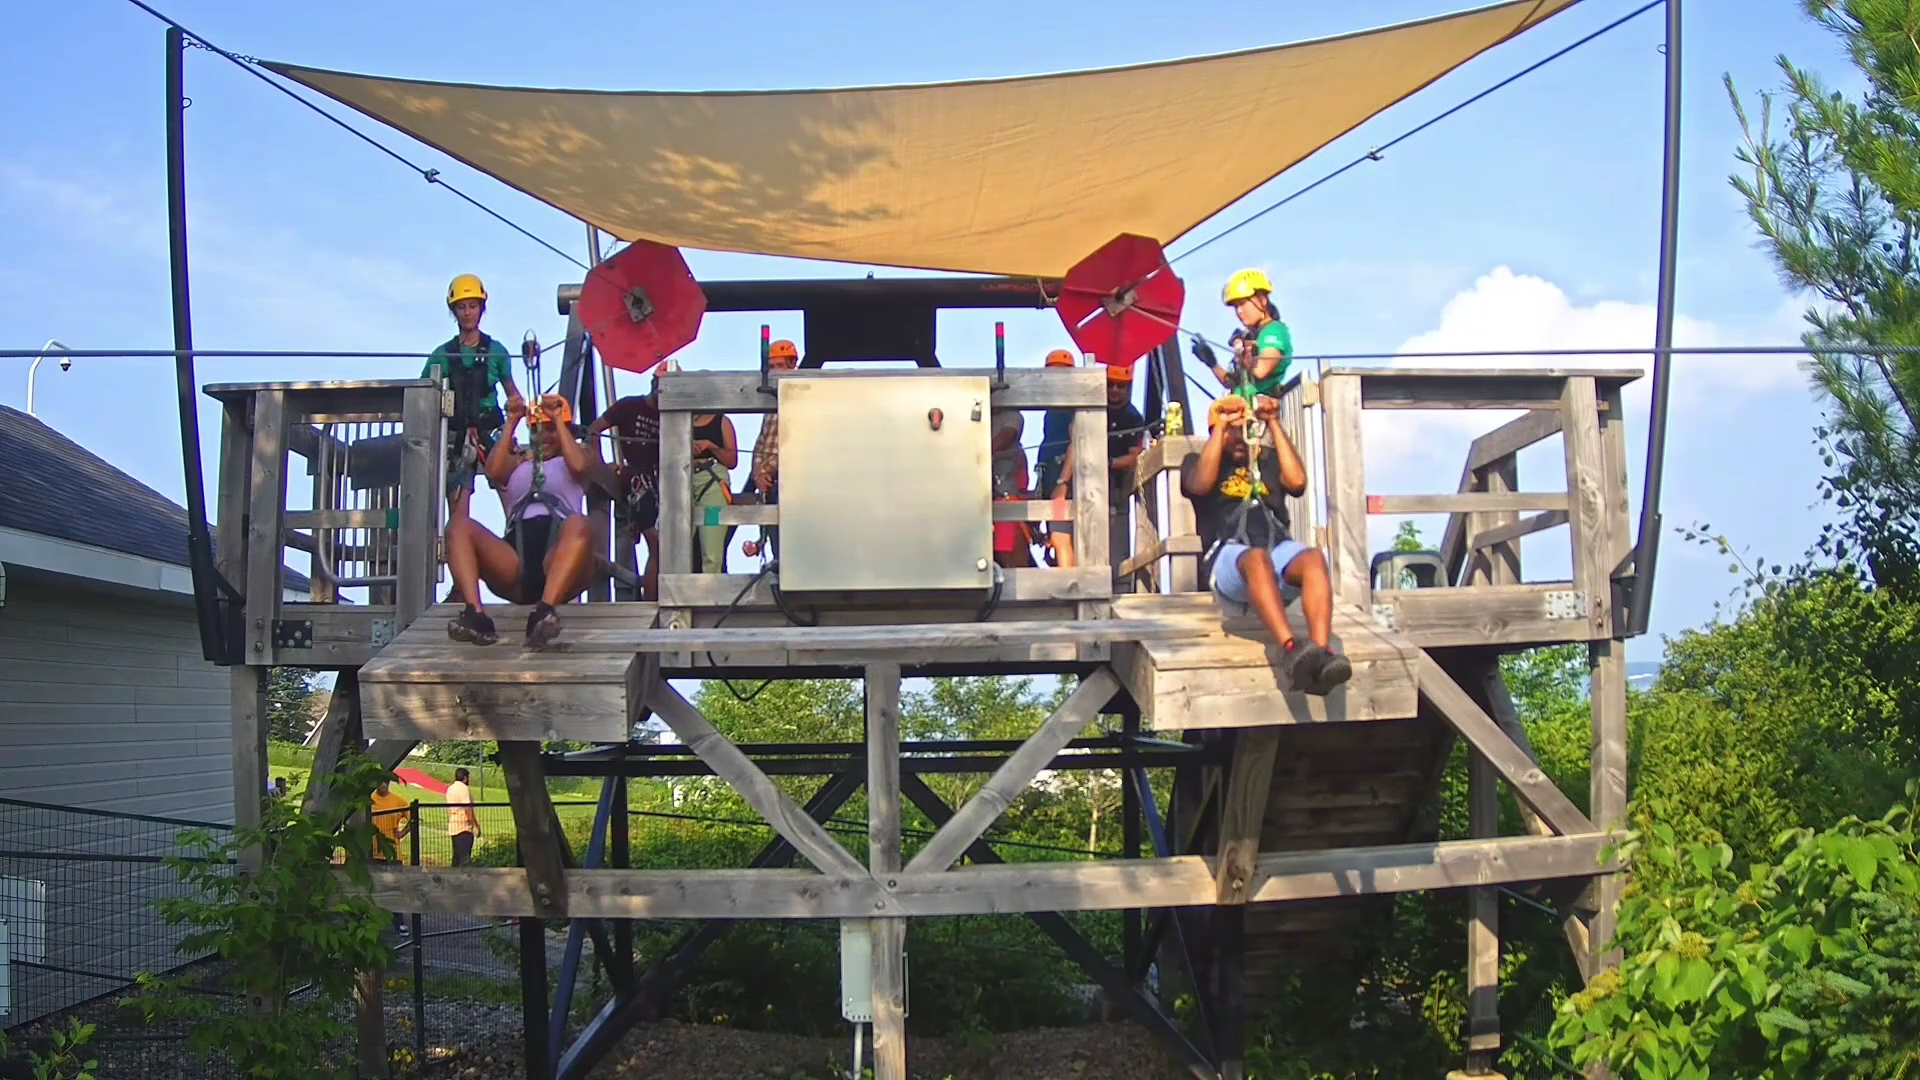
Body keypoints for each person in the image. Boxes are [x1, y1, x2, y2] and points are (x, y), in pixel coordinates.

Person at [1181, 395, 1351, 695]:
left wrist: (1272, 421)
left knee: (1313, 557)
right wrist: (1221, 426)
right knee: (1257, 558)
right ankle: (1290, 649)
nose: (1239, 437)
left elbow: (1297, 483)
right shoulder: (1198, 462)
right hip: (1229, 559)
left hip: (1276, 554)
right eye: (1232, 431)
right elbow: (1200, 485)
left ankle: (1320, 657)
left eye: (1245, 429)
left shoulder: (1266, 461)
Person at [443, 394, 597, 648]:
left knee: (579, 523)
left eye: (550, 430)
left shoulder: (577, 458)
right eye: (536, 430)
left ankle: (544, 612)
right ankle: (476, 615)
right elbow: (494, 471)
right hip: (517, 558)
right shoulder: (520, 462)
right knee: (459, 526)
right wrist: (512, 421)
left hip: (558, 555)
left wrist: (558, 420)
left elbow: (579, 466)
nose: (543, 437)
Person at [423, 274, 525, 520]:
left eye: (472, 306)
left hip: (491, 429)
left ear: (481, 308)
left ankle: (516, 540)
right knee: (458, 511)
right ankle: (461, 542)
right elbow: (424, 395)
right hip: (457, 436)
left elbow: (513, 395)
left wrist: (515, 414)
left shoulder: (496, 352)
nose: (468, 313)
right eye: (462, 307)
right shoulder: (443, 355)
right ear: (454, 311)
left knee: (512, 499)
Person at [589, 371, 663, 599]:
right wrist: (600, 465)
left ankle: (654, 598)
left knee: (665, 545)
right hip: (635, 479)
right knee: (657, 543)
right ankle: (651, 603)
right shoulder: (629, 406)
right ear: (654, 385)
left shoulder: (672, 413)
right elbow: (594, 429)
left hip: (661, 480)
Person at [742, 340, 801, 562]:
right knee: (778, 551)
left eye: (780, 366)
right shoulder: (770, 403)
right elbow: (761, 443)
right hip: (771, 485)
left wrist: (769, 470)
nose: (775, 372)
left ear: (792, 366)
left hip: (793, 483)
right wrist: (758, 472)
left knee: (793, 547)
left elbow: (798, 443)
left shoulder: (802, 398)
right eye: (772, 367)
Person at [1218, 269, 1297, 401]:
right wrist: (1211, 362)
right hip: (1241, 406)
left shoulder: (1274, 331)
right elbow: (1231, 383)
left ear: (1262, 300)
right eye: (1236, 307)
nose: (1239, 311)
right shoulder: (1254, 336)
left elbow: (1261, 370)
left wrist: (1241, 348)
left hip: (1261, 409)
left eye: (1242, 303)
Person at [1036, 349, 1078, 568]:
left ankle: (1069, 583)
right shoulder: (1053, 408)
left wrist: (1063, 482)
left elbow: (1077, 442)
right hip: (1051, 479)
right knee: (1056, 536)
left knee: (1061, 536)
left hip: (1061, 482)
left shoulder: (1069, 407)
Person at [444, 767, 481, 867]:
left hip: (453, 824)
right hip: (464, 826)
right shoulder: (464, 789)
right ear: (465, 778)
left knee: (456, 856)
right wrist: (475, 824)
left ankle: (454, 874)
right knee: (465, 856)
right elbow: (467, 808)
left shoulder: (450, 788)